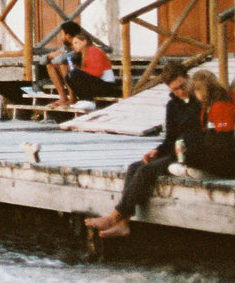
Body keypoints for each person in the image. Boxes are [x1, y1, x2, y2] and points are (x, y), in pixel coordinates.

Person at [84, 63, 201, 238]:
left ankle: (115, 216)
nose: (180, 92)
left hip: (192, 151)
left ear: (188, 78)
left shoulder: (200, 100)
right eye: (175, 90)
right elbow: (170, 138)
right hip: (174, 150)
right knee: (134, 167)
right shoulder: (173, 105)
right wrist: (156, 151)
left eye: (182, 87)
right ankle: (124, 223)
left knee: (147, 170)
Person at [174, 70, 235, 177]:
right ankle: (192, 168)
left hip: (226, 161)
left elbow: (224, 140)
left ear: (201, 90)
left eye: (195, 91)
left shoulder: (221, 106)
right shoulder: (210, 105)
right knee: (185, 143)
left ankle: (197, 171)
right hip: (220, 152)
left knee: (191, 152)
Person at [62, 26, 120, 106]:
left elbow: (98, 72)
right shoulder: (85, 53)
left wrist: (81, 72)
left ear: (84, 42)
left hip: (107, 85)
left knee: (74, 73)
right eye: (73, 44)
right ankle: (83, 99)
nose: (74, 46)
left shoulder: (93, 50)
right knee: (67, 76)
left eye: (76, 43)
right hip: (99, 83)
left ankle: (89, 101)